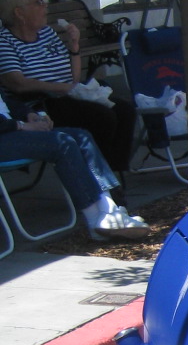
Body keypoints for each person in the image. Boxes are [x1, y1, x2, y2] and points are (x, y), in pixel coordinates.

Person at [0, 0, 137, 180]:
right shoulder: (4, 42)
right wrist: (61, 88)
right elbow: (18, 84)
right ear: (19, 13)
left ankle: (112, 173)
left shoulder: (47, 33)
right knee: (102, 117)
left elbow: (72, 78)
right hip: (38, 105)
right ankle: (99, 178)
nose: (45, 6)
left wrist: (74, 46)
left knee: (124, 110)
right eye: (38, 2)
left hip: (67, 96)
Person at [0, 96, 148, 240]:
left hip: (13, 130)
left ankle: (110, 210)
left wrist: (30, 114)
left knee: (81, 136)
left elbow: (6, 100)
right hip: (5, 136)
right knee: (62, 143)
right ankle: (94, 222)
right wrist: (21, 125)